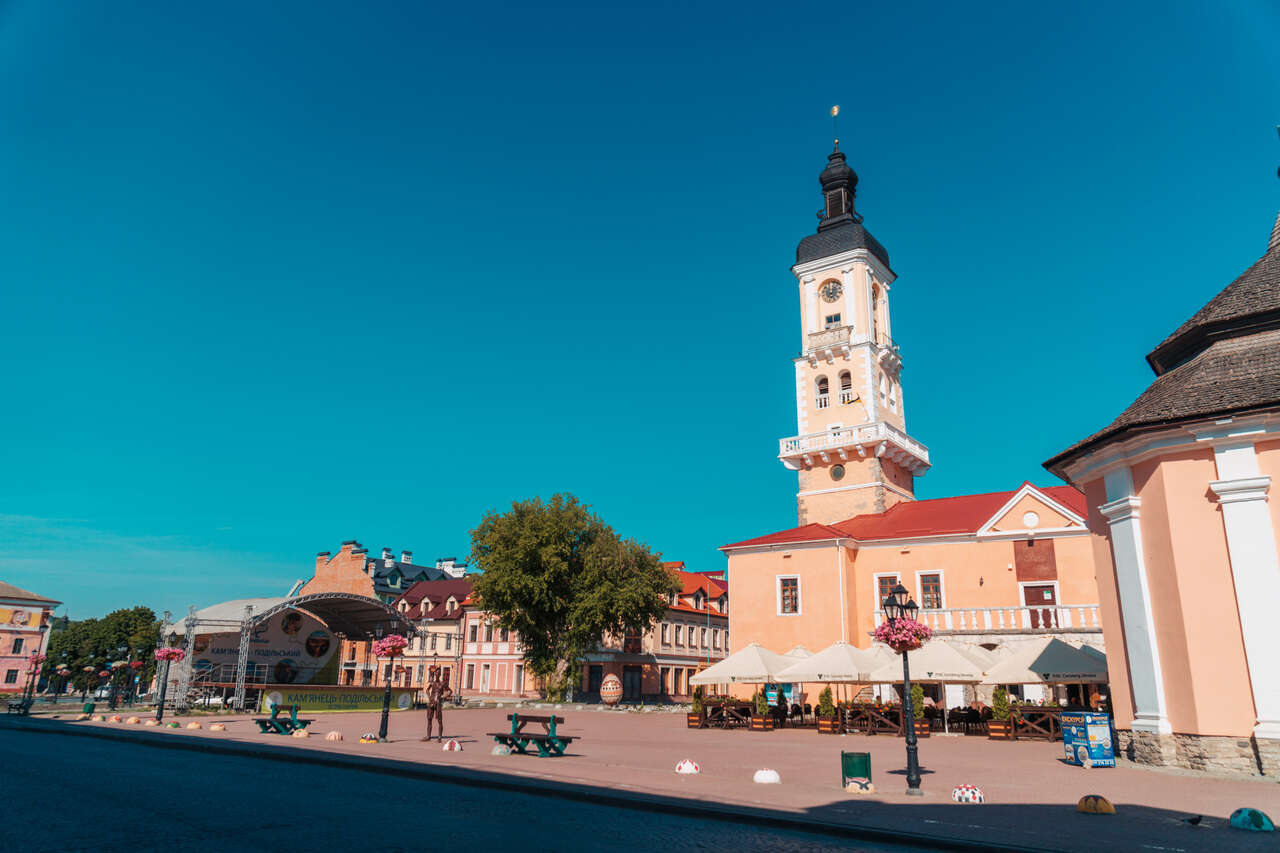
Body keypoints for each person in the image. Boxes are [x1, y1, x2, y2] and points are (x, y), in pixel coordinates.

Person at [422, 669, 452, 742]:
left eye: (438, 673)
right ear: (435, 674)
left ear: (440, 675)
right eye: (436, 673)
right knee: (429, 719)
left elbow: (450, 691)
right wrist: (429, 697)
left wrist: (443, 697)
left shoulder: (443, 684)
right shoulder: (432, 683)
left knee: (439, 720)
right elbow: (427, 690)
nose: (437, 675)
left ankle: (439, 737)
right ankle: (428, 736)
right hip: (431, 702)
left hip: (438, 702)